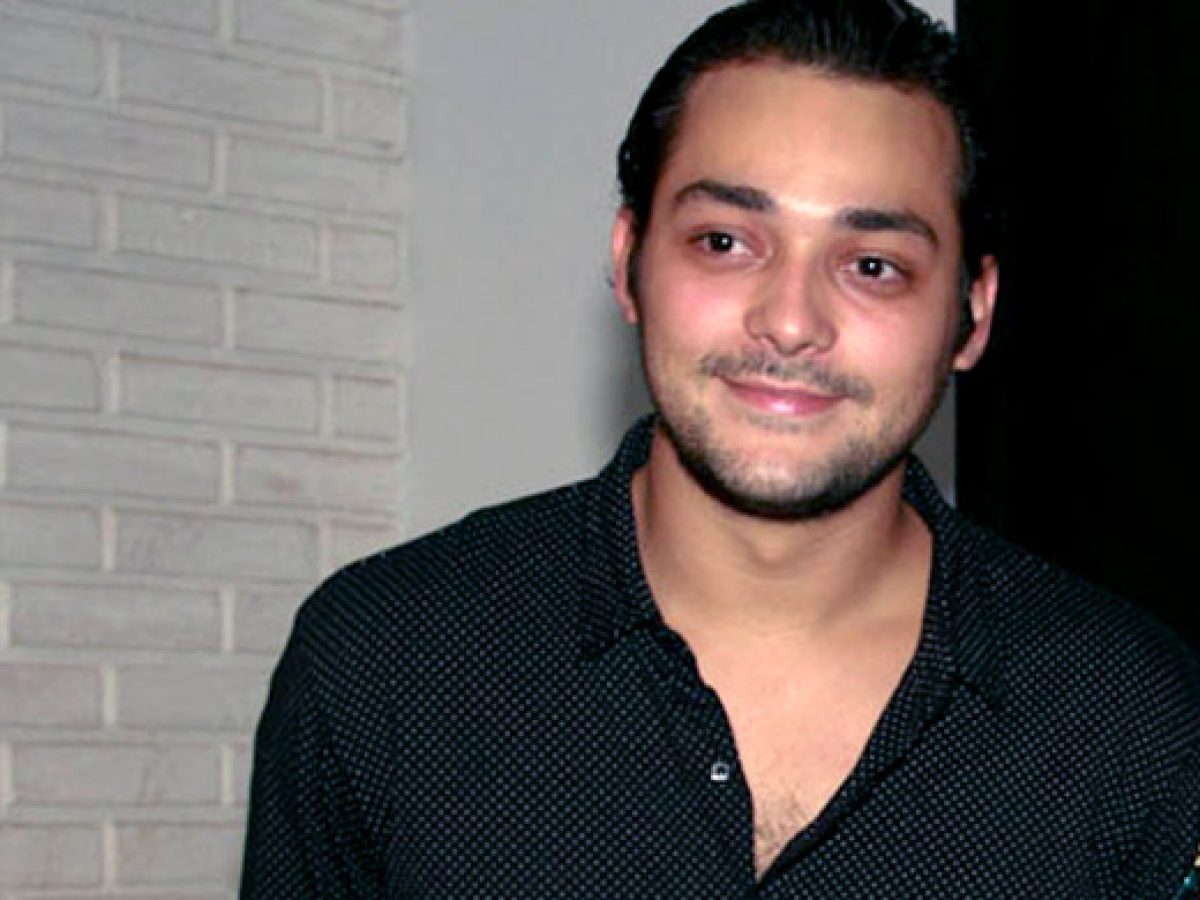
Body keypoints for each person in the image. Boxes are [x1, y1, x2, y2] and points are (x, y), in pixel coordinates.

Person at [240, 1, 1200, 896]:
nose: (790, 320)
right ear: (628, 261)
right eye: (725, 243)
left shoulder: (1137, 725)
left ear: (972, 313)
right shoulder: (384, 661)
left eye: (873, 265)